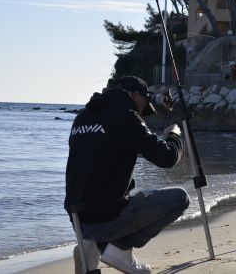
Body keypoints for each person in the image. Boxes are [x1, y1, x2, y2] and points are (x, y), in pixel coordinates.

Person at [64, 76, 189, 274]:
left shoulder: (82, 117)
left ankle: (92, 247)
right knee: (181, 198)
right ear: (134, 95)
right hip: (106, 218)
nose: (142, 113)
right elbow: (167, 158)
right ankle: (120, 249)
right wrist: (174, 135)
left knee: (114, 195)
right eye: (143, 106)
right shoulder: (127, 116)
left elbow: (101, 153)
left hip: (77, 218)